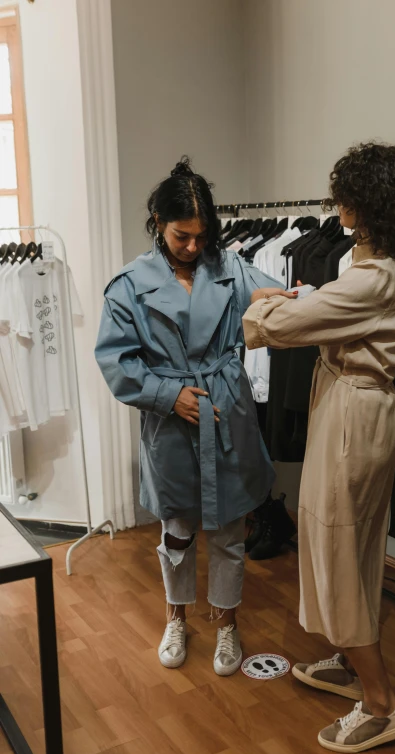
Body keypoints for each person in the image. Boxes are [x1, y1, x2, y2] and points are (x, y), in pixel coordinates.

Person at [243, 142, 395, 752]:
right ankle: (354, 665)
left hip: (355, 410)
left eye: (345, 193)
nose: (337, 203)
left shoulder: (377, 276)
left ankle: (381, 703)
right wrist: (304, 301)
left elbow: (279, 327)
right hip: (362, 405)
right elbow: (329, 308)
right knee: (355, 542)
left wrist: (262, 305)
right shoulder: (392, 259)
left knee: (333, 543)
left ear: (364, 202)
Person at [95, 157, 287, 677]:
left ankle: (226, 622)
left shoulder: (229, 267)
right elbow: (116, 361)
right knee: (177, 529)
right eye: (182, 236)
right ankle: (175, 616)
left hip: (226, 409)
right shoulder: (129, 286)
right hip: (171, 420)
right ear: (158, 221)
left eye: (202, 237)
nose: (193, 247)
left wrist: (278, 300)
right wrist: (166, 393)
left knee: (229, 528)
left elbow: (270, 295)